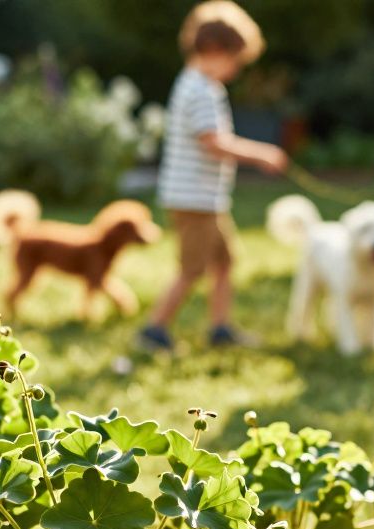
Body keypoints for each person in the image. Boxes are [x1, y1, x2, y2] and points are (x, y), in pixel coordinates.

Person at [141, 1, 288, 350]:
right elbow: (215, 143)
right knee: (192, 268)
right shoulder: (198, 90)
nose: (236, 69)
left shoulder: (200, 85)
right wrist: (261, 154)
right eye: (235, 60)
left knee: (224, 260)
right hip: (192, 198)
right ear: (212, 50)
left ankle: (220, 328)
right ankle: (154, 329)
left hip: (206, 196)